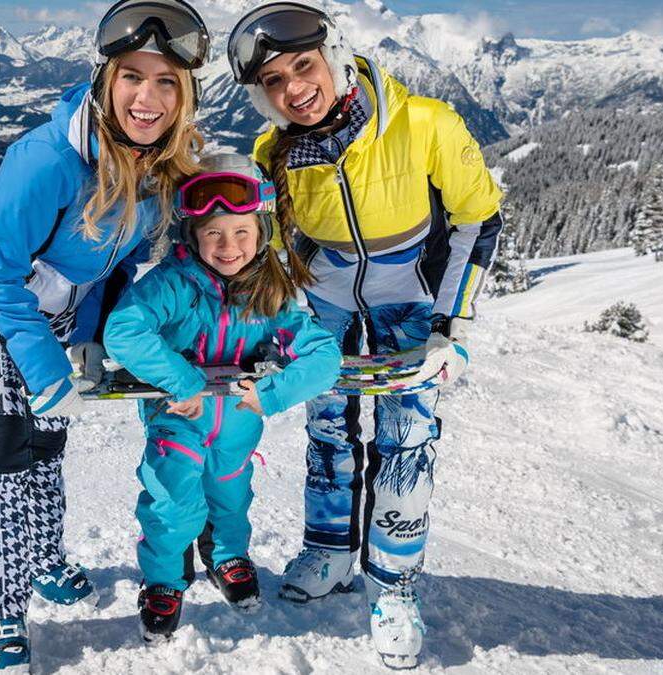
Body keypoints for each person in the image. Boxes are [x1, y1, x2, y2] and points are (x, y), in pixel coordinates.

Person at [0, 0, 210, 669]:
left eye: (166, 81)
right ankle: (0, 612)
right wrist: (47, 371)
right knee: (7, 449)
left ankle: (45, 559)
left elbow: (117, 266)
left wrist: (92, 341)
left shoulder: (156, 168)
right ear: (106, 80)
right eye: (133, 77)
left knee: (49, 443)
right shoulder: (48, 159)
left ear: (185, 95)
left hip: (58, 311)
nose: (148, 96)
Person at [226, 2, 504, 668]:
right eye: (274, 82)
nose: (294, 87)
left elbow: (479, 218)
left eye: (303, 65)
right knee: (327, 427)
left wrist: (450, 321)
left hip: (409, 301)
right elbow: (268, 248)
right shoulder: (277, 152)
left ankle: (394, 581)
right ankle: (328, 550)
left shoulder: (425, 126)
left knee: (406, 437)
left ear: (336, 55)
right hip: (324, 303)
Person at [104, 154, 341, 642]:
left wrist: (272, 393)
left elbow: (324, 357)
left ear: (262, 234)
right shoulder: (172, 284)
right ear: (191, 235)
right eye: (213, 232)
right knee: (172, 499)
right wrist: (182, 380)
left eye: (241, 233)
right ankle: (164, 581)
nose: (228, 246)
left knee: (231, 493)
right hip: (179, 416)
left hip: (238, 419)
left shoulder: (269, 293)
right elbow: (123, 332)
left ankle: (227, 554)